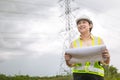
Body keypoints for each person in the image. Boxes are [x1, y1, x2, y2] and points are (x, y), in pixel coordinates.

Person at [64, 16, 110, 80]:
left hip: (96, 76)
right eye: (79, 23)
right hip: (79, 76)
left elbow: (106, 62)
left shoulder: (99, 40)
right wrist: (67, 60)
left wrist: (108, 57)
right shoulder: (73, 43)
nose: (81, 24)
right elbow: (70, 65)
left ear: (90, 26)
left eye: (84, 22)